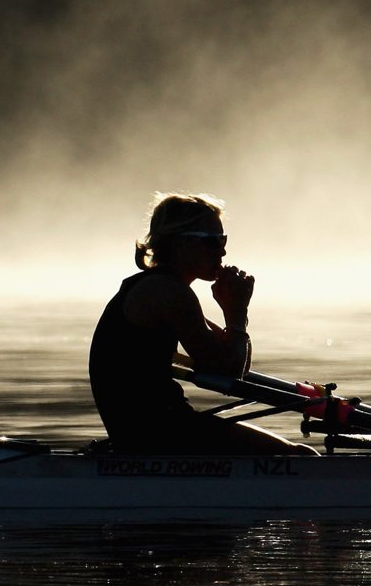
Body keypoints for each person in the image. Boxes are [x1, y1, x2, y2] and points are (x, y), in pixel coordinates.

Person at [88, 192, 314, 455]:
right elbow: (229, 372)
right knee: (301, 456)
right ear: (179, 243)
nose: (223, 250)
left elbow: (233, 365)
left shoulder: (159, 287)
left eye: (223, 240)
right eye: (212, 241)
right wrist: (237, 312)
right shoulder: (167, 292)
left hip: (151, 429)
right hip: (159, 433)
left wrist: (234, 314)